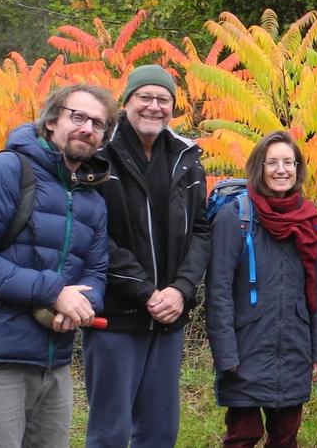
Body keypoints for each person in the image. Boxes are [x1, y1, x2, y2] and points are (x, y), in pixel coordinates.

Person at [0, 83, 115, 447]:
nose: (87, 128)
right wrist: (54, 292)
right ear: (52, 120)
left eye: (98, 124)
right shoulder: (5, 171)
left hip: (55, 365)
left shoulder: (93, 198)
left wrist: (82, 305)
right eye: (78, 116)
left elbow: (96, 272)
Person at [85, 64, 212, 447]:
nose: (154, 106)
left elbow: (202, 231)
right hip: (116, 316)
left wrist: (182, 289)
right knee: (110, 432)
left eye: (163, 99)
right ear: (126, 103)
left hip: (169, 319)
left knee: (159, 433)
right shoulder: (99, 156)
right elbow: (93, 234)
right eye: (145, 97)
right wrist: (145, 291)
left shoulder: (186, 158)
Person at [205, 130, 317, 447]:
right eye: (272, 162)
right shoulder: (235, 217)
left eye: (288, 162)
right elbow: (218, 290)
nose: (281, 169)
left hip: (294, 347)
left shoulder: (308, 220)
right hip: (245, 349)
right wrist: (225, 353)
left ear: (297, 168)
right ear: (259, 167)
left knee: (285, 438)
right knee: (242, 437)